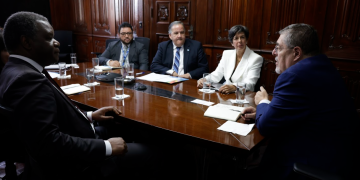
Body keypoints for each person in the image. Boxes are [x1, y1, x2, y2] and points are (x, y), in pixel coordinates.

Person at [0, 12, 158, 180]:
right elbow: (48, 143)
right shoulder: (27, 79)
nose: (57, 42)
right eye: (48, 38)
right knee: (155, 153)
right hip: (81, 163)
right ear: (27, 42)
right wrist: (107, 147)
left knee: (120, 126)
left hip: (79, 136)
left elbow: (49, 119)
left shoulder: (14, 70)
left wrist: (89, 115)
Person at [241, 23, 359, 179]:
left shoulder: (294, 76)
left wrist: (263, 102)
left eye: (278, 48)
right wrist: (265, 111)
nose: (273, 52)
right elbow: (302, 110)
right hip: (340, 158)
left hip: (310, 166)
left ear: (296, 53)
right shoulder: (323, 65)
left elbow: (266, 126)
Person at [196, 25, 263, 93]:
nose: (240, 41)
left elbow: (250, 83)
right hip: (226, 93)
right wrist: (204, 80)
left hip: (243, 95)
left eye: (242, 37)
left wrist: (234, 87)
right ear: (231, 43)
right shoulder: (227, 54)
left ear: (246, 40)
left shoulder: (256, 59)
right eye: (236, 38)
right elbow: (217, 74)